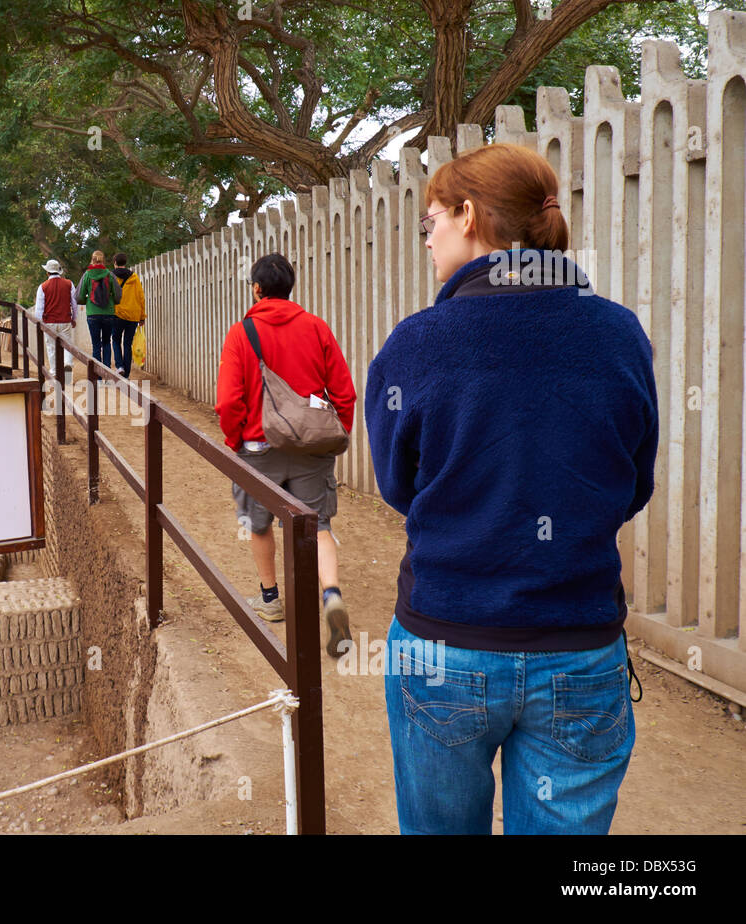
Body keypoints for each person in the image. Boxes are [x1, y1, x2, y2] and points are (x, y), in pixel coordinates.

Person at [365, 142, 658, 835]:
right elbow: (632, 484)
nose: (428, 238)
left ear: (469, 215)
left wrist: (475, 515)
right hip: (580, 650)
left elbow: (398, 484)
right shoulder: (620, 335)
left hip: (445, 644)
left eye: (430, 220)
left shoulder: (417, 344)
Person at [215, 253, 356, 658]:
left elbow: (228, 401)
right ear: (290, 288)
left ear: (256, 289)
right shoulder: (316, 328)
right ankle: (330, 594)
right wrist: (334, 433)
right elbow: (344, 392)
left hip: (259, 446)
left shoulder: (241, 333)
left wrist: (234, 440)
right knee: (319, 524)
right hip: (312, 447)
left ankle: (271, 598)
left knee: (258, 524)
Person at [77, 250, 120, 371]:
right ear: (103, 260)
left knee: (96, 345)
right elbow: (117, 294)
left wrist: (88, 301)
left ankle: (98, 377)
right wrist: (113, 302)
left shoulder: (87, 275)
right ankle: (107, 374)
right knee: (107, 343)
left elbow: (79, 296)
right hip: (109, 314)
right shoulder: (110, 275)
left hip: (93, 314)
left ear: (92, 259)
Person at [33, 258, 77, 374]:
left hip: (49, 322)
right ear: (59, 271)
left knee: (51, 347)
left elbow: (39, 309)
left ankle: (54, 372)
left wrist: (40, 323)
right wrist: (74, 318)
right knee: (67, 345)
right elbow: (74, 303)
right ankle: (67, 364)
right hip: (65, 320)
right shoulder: (69, 284)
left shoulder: (42, 287)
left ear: (47, 272)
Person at [109, 252, 145, 379]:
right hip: (133, 315)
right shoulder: (134, 277)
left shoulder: (111, 276)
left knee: (115, 340)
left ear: (115, 263)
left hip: (117, 314)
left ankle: (120, 367)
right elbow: (141, 297)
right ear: (125, 263)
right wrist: (142, 316)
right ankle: (127, 374)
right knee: (127, 344)